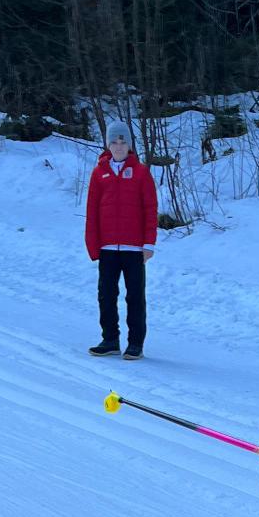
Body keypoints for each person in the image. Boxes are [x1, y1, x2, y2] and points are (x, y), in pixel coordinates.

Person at [84, 128, 158, 358]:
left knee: (135, 295)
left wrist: (149, 243)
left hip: (134, 248)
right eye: (114, 142)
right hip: (107, 247)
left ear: (129, 145)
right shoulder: (99, 173)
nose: (118, 146)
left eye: (122, 142)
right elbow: (92, 210)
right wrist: (93, 244)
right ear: (108, 145)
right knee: (106, 294)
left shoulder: (141, 172)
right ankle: (110, 339)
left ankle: (135, 343)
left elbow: (150, 209)